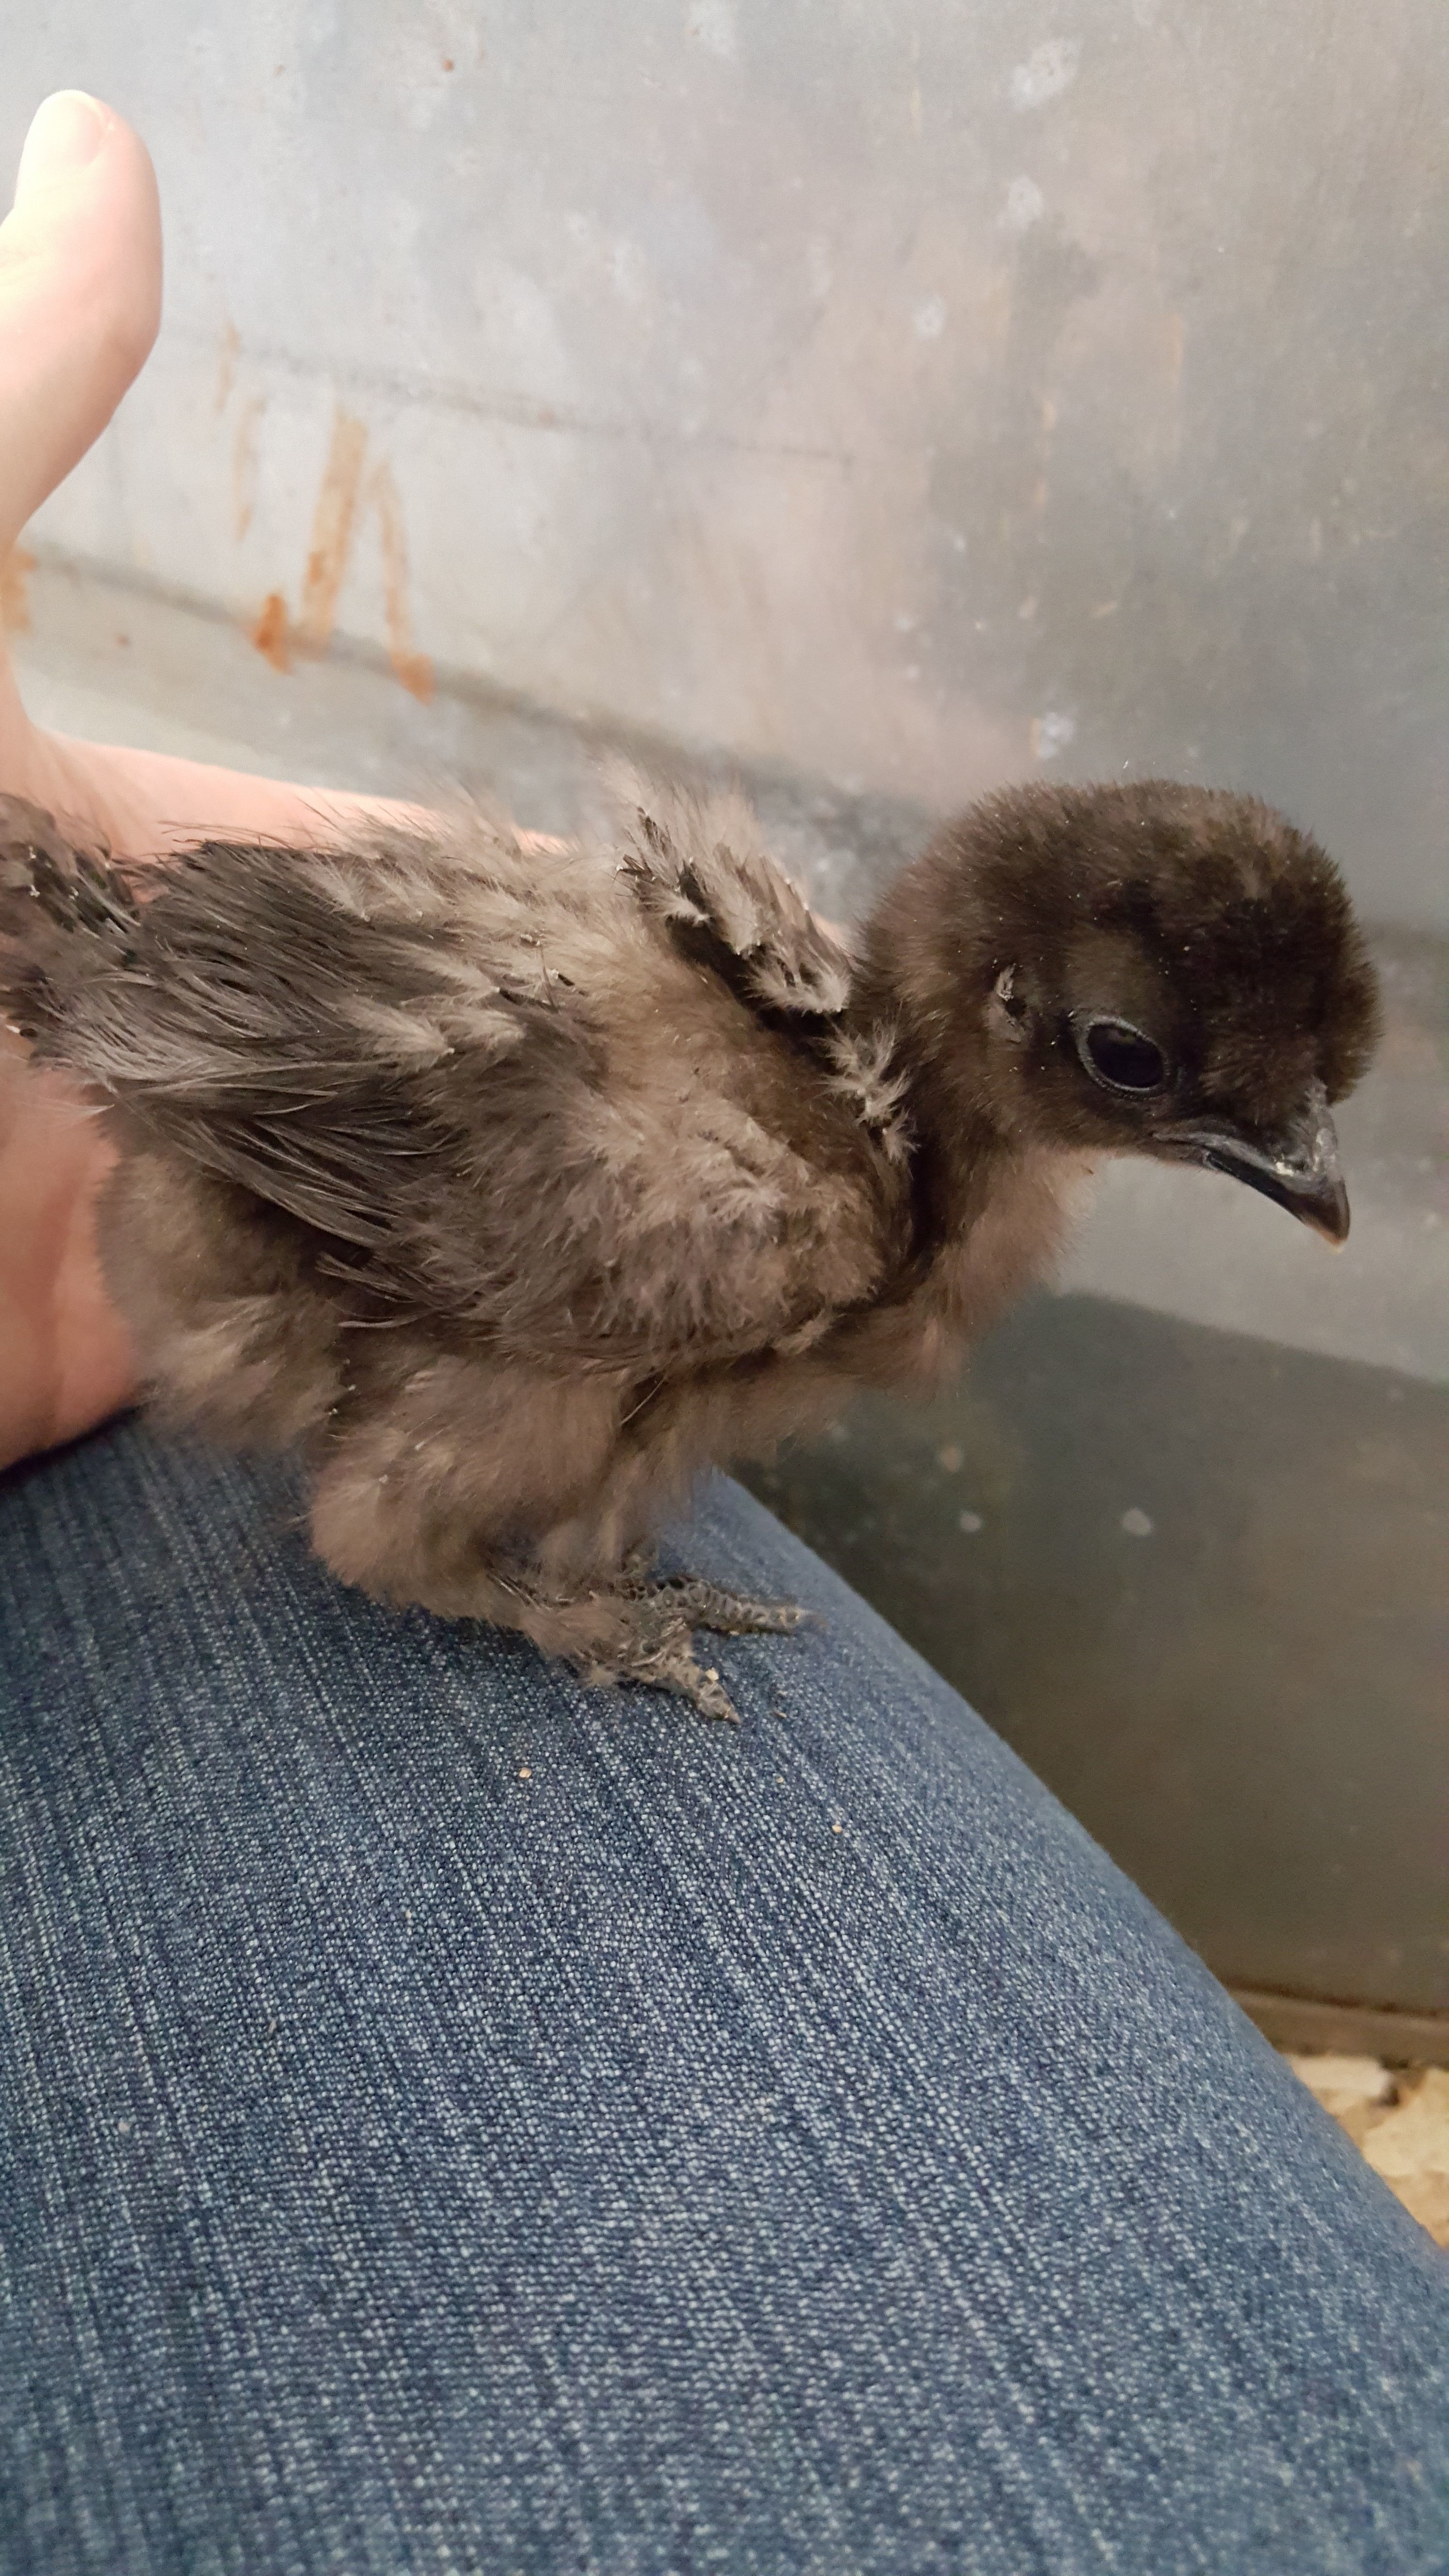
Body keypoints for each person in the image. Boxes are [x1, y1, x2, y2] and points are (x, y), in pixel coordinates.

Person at [0, 93, 1444, 2576]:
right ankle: (515, 1585)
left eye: (1284, 1118)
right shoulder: (779, 1196)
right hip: (244, 1200)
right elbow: (325, 1270)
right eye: (1148, 1075)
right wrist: (546, 1586)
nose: (1279, 1165)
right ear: (1004, 1006)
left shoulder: (852, 1151)